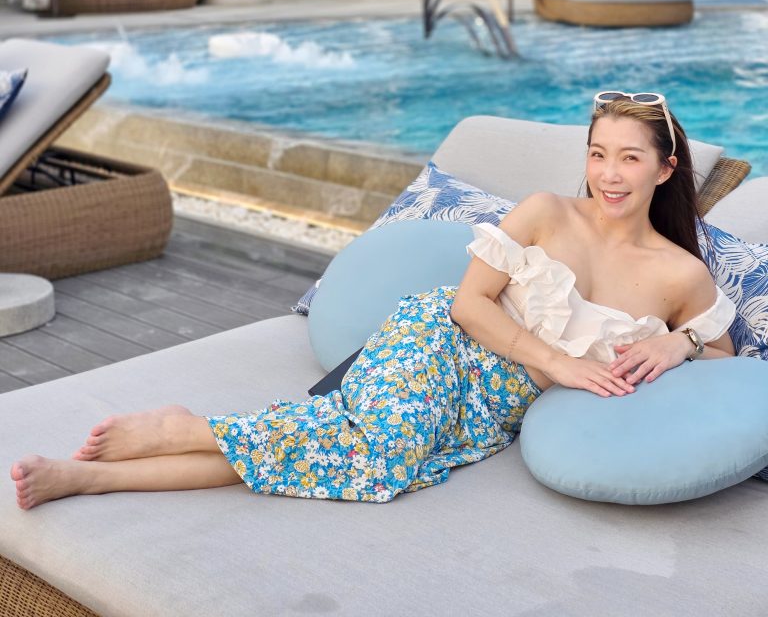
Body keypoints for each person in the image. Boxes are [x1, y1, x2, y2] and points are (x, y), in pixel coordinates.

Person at [11, 92, 736, 510]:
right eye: (598, 154)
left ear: (665, 168)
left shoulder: (681, 276)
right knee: (379, 460)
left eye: (630, 158)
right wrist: (558, 362)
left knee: (341, 453)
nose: (608, 174)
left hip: (496, 408)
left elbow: (725, 368)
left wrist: (678, 342)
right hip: (444, 344)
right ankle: (148, 447)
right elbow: (469, 305)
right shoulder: (546, 212)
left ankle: (122, 461)